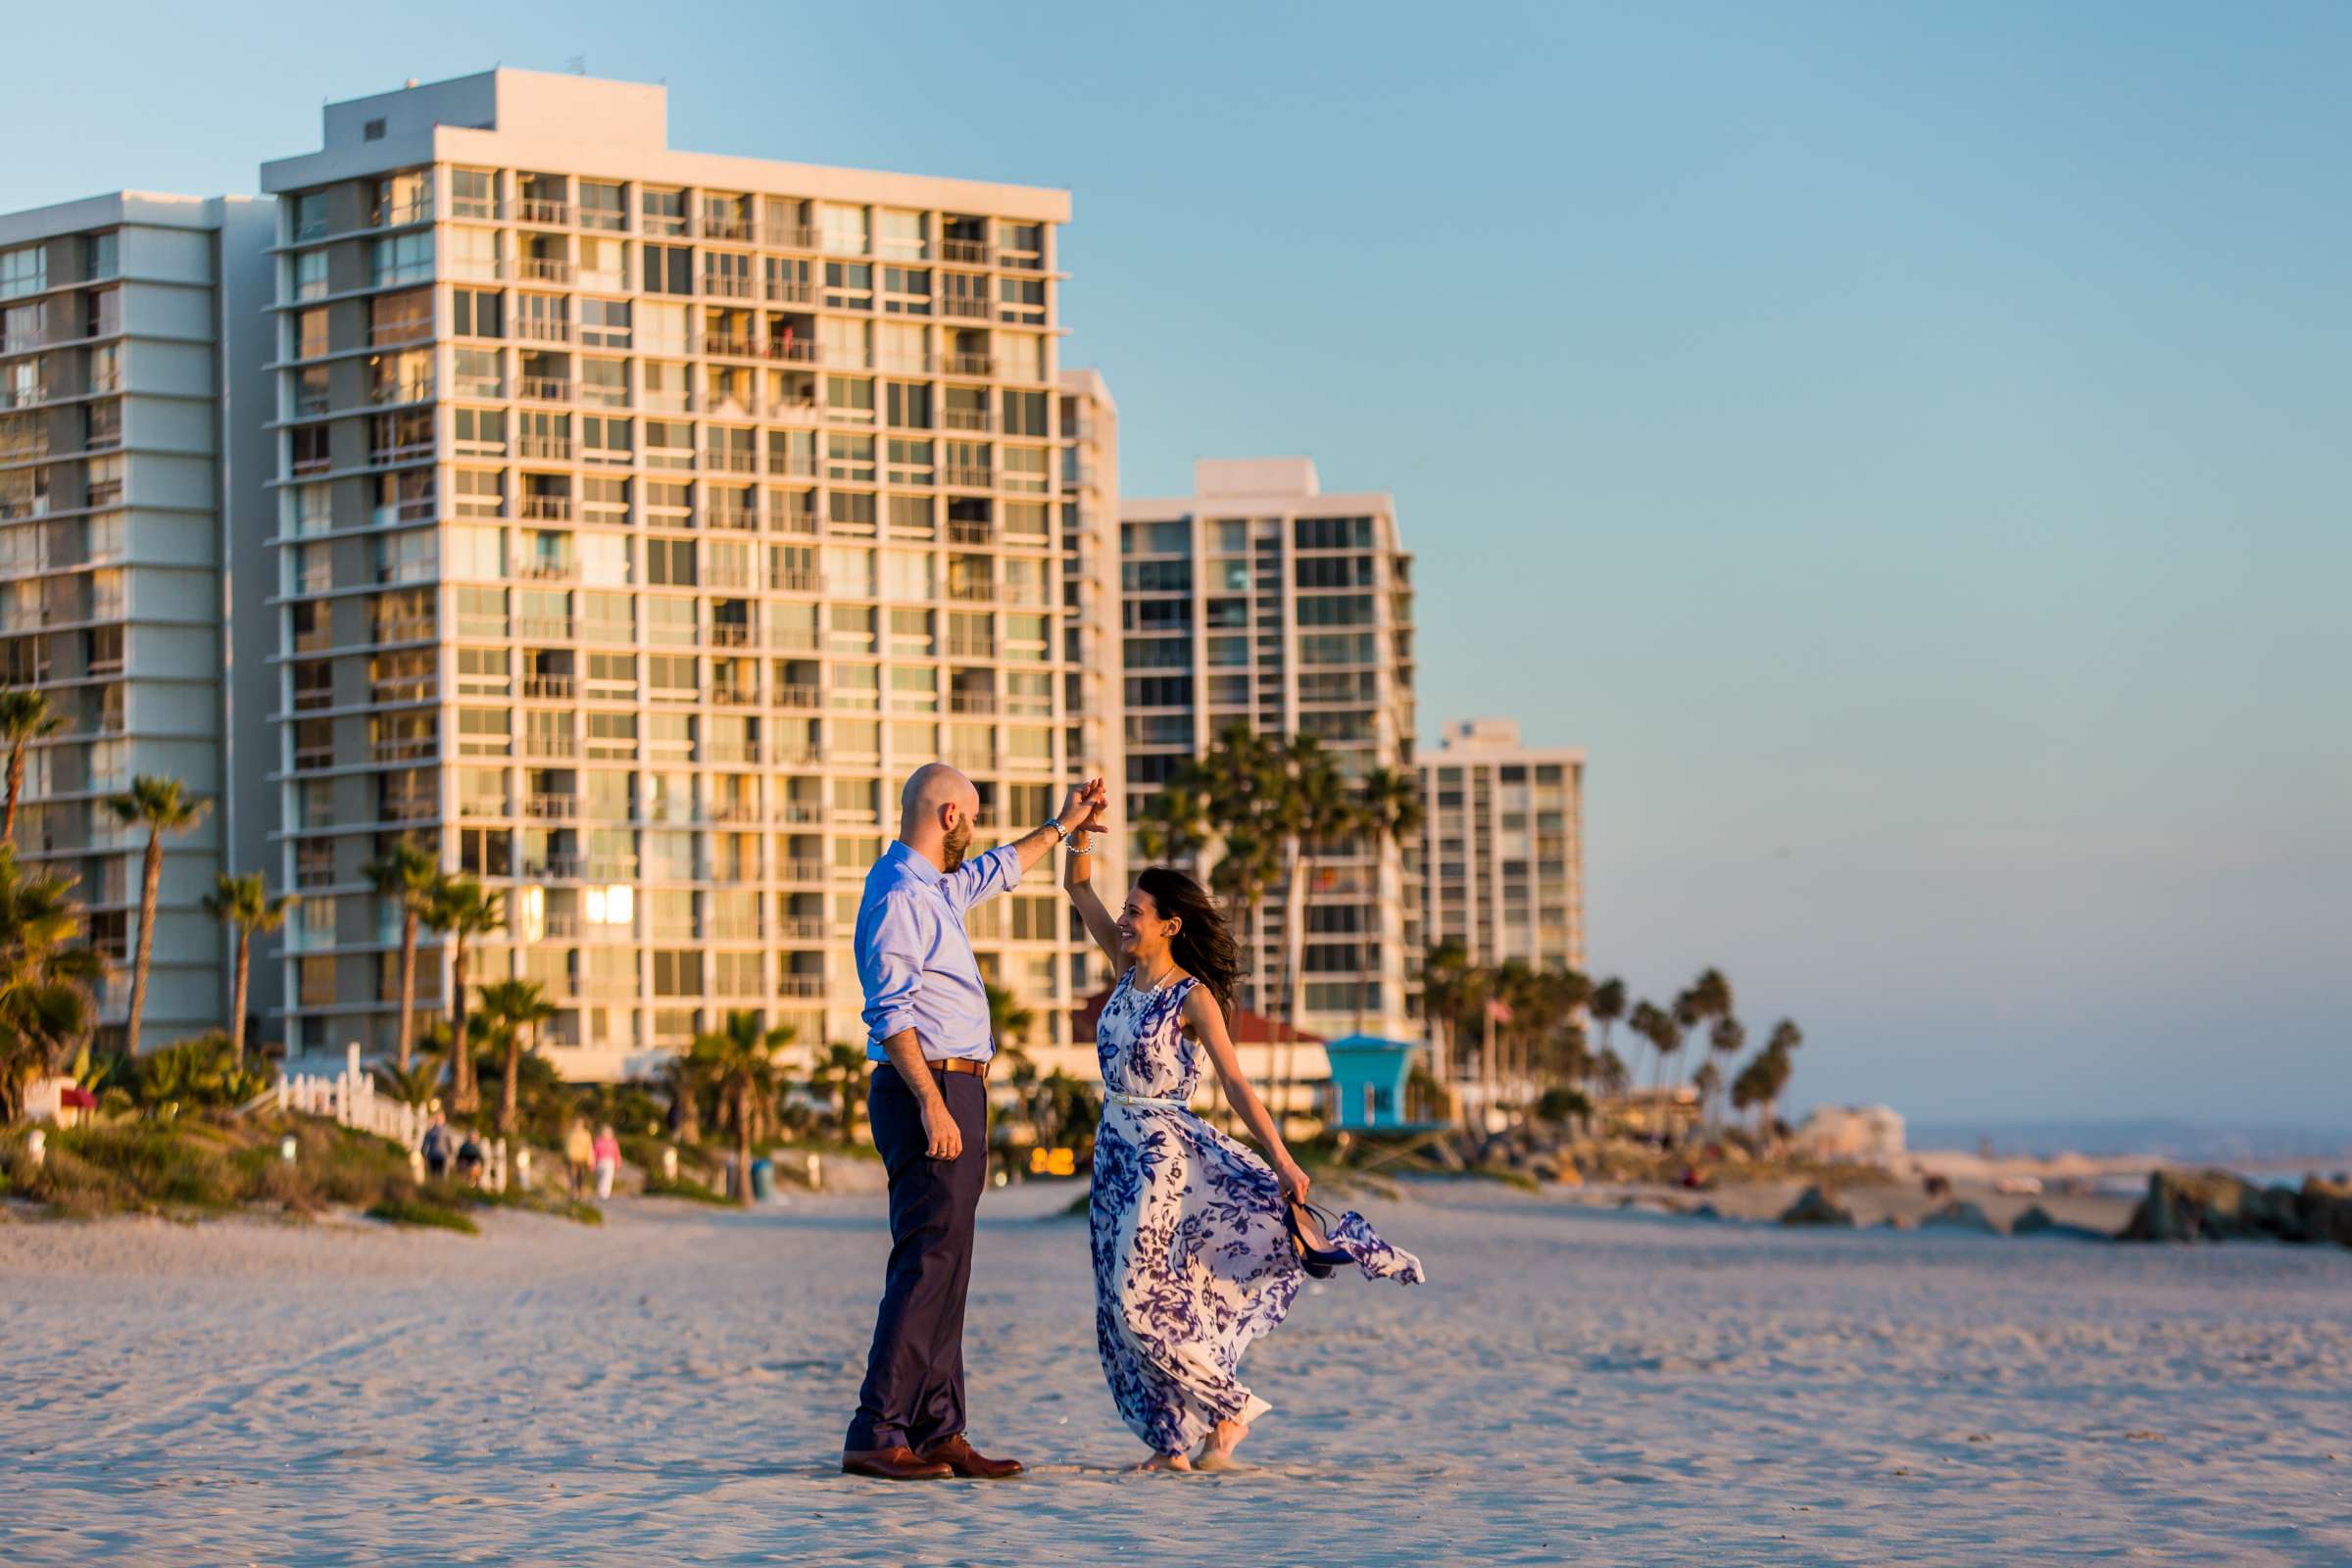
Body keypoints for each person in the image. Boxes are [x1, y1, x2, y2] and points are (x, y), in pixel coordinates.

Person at [1058, 781, 1425, 1471]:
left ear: (1171, 925)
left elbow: (1234, 1082)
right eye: (1129, 909)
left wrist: (1284, 1161)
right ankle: (1172, 1444)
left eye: (1138, 911)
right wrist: (1081, 825)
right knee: (1116, 1308)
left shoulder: (1191, 997)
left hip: (1161, 1153)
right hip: (1112, 1149)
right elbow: (1078, 886)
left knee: (1141, 1301)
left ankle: (1229, 1408)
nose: (1127, 918)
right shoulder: (1122, 966)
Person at [840, 763, 1098, 1482]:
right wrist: (930, 1102)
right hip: (929, 1088)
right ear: (950, 814)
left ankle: (937, 1429)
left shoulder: (932, 889)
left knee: (948, 1268)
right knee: (926, 1263)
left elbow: (999, 868)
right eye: (974, 818)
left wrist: (1064, 824)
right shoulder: (897, 894)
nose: (976, 832)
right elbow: (890, 1013)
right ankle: (878, 1427)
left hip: (957, 1089)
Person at [564, 1118, 596, 1200]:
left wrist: (590, 1159)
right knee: (572, 1175)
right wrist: (566, 1154)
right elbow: (566, 1145)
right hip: (572, 1157)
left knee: (580, 1175)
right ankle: (573, 1191)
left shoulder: (586, 1134)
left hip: (581, 1158)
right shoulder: (571, 1133)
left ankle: (579, 1191)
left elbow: (589, 1147)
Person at [419, 1111, 452, 1180]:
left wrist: (450, 1152)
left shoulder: (446, 1130)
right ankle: (433, 1187)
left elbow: (449, 1143)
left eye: (441, 1118)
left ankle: (439, 1188)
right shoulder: (431, 1130)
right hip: (433, 1155)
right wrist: (423, 1152)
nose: (439, 1120)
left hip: (442, 1156)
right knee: (433, 1175)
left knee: (441, 1175)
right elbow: (426, 1142)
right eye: (438, 1118)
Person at [592, 1123, 621, 1200]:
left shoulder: (613, 1142)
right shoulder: (598, 1141)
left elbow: (616, 1153)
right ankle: (601, 1191)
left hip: (609, 1162)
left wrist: (618, 1163)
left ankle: (604, 1194)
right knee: (600, 1177)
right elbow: (594, 1153)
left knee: (607, 1178)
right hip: (600, 1161)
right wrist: (592, 1163)